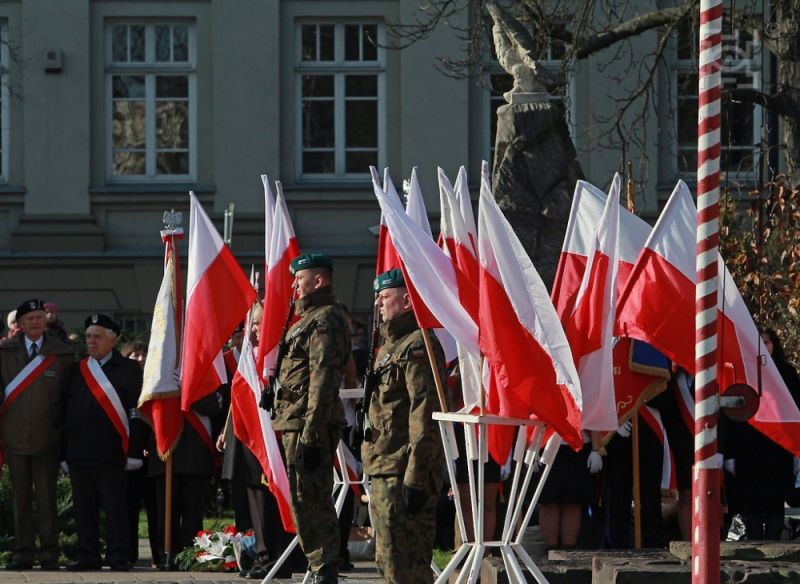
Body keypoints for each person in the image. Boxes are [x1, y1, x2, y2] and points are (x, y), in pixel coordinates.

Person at [270, 253, 351, 584]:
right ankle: (320, 565)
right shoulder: (308, 319)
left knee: (311, 498)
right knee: (304, 498)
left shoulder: (324, 321)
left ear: (319, 281)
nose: (294, 285)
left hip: (308, 424)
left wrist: (310, 433)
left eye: (299, 278)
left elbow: (323, 379)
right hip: (295, 420)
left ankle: (323, 567)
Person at [362, 268, 444, 583]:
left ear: (407, 301)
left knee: (405, 566)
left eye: (385, 297)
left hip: (403, 472)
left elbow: (424, 413)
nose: (378, 304)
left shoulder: (417, 345)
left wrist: (415, 477)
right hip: (385, 466)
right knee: (388, 562)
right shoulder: (391, 347)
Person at [63, 314, 145, 571]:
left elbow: (137, 413)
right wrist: (65, 454)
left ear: (112, 339)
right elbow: (67, 413)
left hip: (113, 454)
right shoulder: (78, 370)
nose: (90, 341)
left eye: (97, 336)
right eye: (88, 336)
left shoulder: (129, 370)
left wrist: (133, 452)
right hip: (80, 452)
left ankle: (119, 556)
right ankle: (88, 556)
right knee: (83, 509)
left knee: (116, 509)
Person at [0, 299, 75, 570]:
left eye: (39, 317)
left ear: (47, 321)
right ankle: (23, 553)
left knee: (47, 500)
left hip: (48, 437)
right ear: (19, 324)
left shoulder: (62, 354)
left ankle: (49, 554)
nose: (35, 322)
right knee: (20, 499)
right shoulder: (4, 351)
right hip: (14, 437)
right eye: (29, 318)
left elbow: (69, 398)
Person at [724, 328, 800, 539]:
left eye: (766, 342)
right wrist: (730, 453)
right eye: (759, 342)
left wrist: (795, 449)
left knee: (776, 500)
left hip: (778, 446)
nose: (763, 346)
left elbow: (795, 410)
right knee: (752, 502)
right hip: (749, 448)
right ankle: (755, 546)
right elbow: (734, 413)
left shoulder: (787, 373)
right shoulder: (742, 371)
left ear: (774, 344)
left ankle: (775, 546)